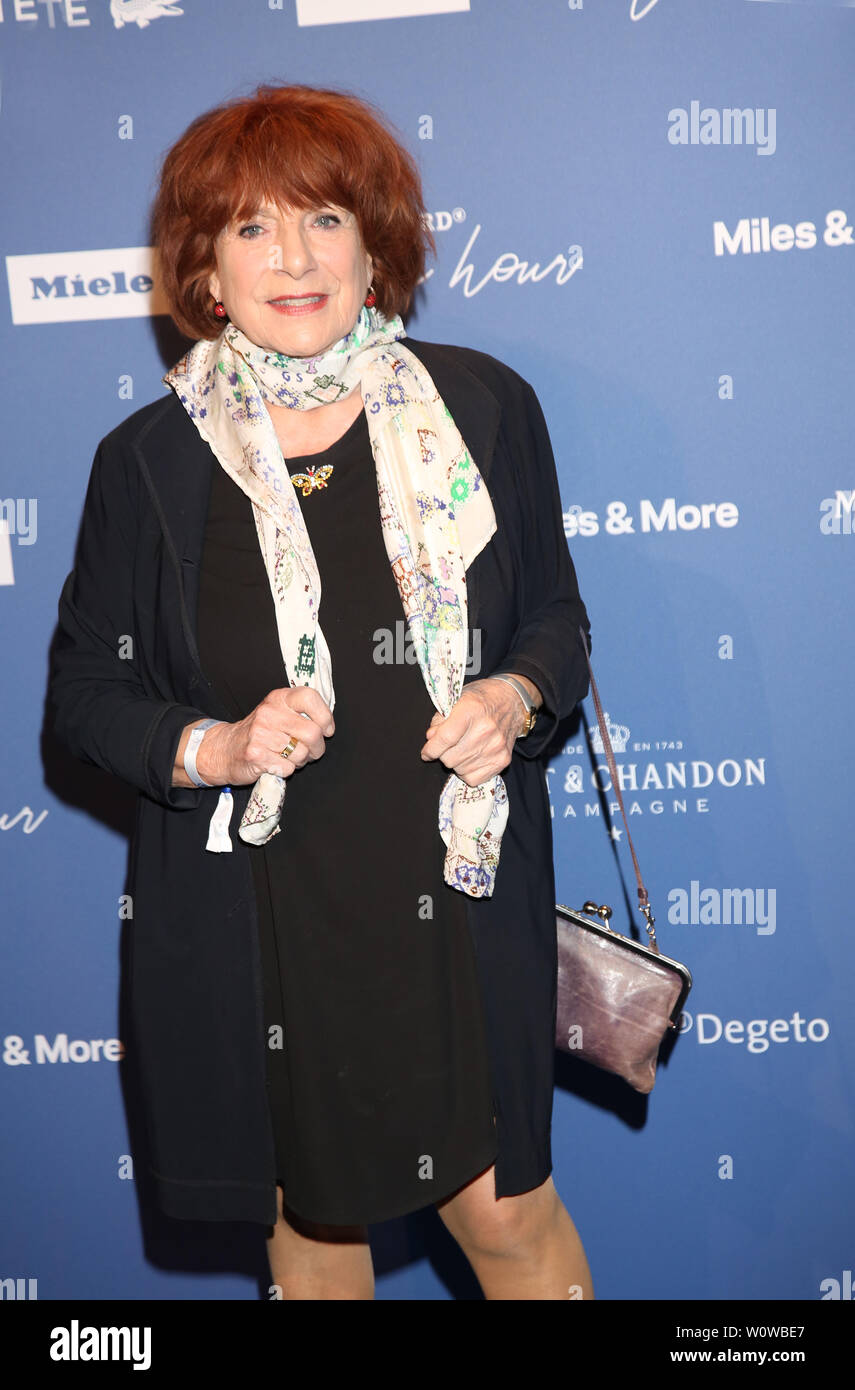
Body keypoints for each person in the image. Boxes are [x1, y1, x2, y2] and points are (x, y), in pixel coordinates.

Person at [49, 83, 594, 1301]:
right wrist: (218, 744)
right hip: (265, 921)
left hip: (454, 893)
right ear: (203, 269)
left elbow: (557, 619)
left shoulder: (482, 409)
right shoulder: (147, 464)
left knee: (510, 1220)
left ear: (375, 244)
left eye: (324, 219)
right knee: (312, 1240)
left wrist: (512, 695)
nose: (292, 259)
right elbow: (84, 696)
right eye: (250, 228)